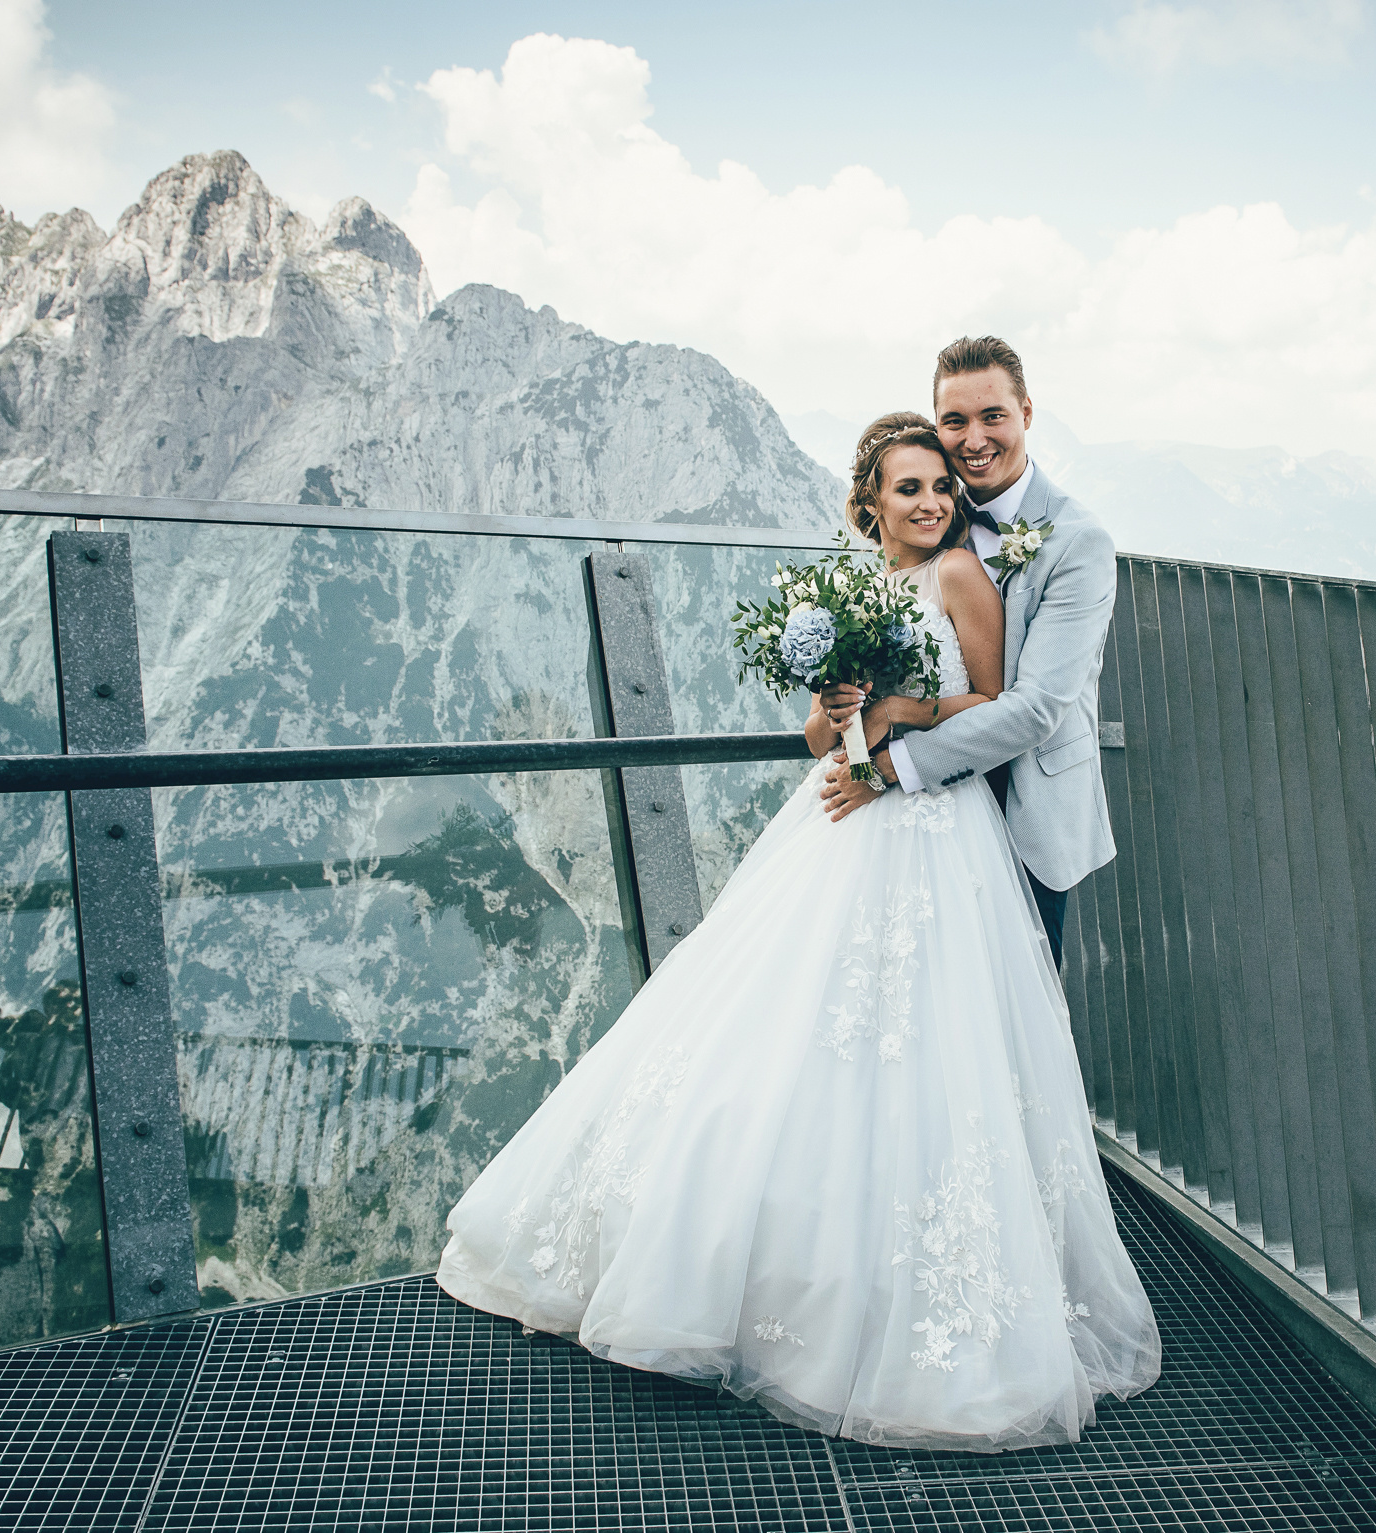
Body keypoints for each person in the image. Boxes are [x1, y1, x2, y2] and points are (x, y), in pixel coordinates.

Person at [436, 410, 1159, 1451]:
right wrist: (842, 706)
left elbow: (994, 701)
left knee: (922, 1048)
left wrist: (901, 717)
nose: (930, 502)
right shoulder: (855, 586)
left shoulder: (962, 579)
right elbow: (823, 733)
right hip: (836, 815)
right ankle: (753, 1270)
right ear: (870, 504)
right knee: (780, 1033)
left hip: (928, 826)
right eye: (908, 488)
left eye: (939, 487)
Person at [819, 337, 1115, 962]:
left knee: (1011, 1019)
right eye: (955, 421)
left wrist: (890, 769)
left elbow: (1036, 708)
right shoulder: (932, 523)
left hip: (1024, 804)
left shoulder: (1078, 541)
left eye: (993, 417)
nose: (974, 438)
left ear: (1027, 414)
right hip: (922, 815)